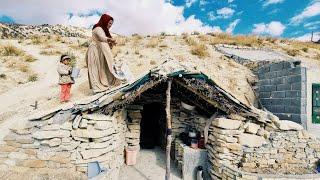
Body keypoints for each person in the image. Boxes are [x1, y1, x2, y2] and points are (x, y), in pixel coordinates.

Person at [85, 14, 121, 94]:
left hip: (100, 51)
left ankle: (104, 84)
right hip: (94, 50)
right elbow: (101, 37)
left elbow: (105, 42)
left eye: (111, 24)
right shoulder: (98, 28)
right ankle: (97, 88)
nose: (110, 25)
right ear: (105, 21)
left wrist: (110, 43)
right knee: (94, 69)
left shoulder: (105, 31)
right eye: (109, 23)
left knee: (102, 68)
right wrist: (109, 40)